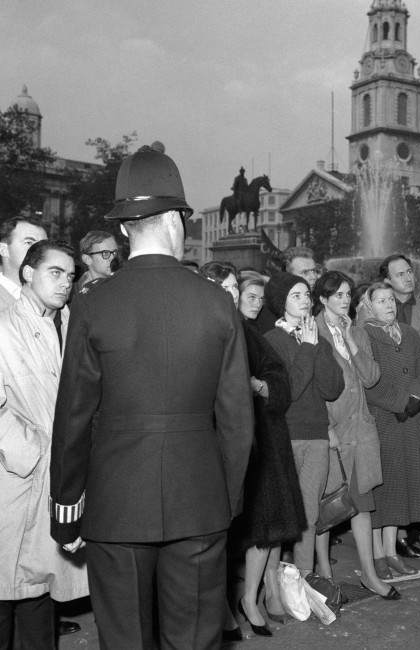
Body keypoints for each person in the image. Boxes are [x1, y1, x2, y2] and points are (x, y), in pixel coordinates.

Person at [49, 145, 254, 650]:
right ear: (177, 220)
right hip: (200, 497)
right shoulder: (216, 302)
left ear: (123, 229)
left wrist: (66, 506)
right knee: (193, 640)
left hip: (116, 502)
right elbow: (237, 422)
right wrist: (225, 499)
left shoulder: (94, 303)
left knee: (125, 641)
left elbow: (73, 416)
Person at [0, 240, 88, 650]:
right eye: (55, 272)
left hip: (60, 475)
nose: (65, 283)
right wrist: (28, 452)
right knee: (6, 588)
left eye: (70, 275)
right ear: (28, 273)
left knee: (39, 593)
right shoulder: (4, 327)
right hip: (16, 477)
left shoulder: (73, 324)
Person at [223, 271, 306, 639]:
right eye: (247, 296)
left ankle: (253, 599)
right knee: (237, 533)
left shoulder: (253, 333)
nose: (255, 303)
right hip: (234, 441)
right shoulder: (229, 331)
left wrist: (262, 386)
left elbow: (279, 379)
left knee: (267, 529)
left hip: (266, 439)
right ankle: (234, 604)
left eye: (259, 297)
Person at [312, 272, 399, 599]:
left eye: (348, 294)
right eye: (337, 295)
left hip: (360, 430)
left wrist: (350, 340)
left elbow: (372, 377)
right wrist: (326, 428)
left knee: (362, 502)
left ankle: (370, 575)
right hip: (332, 430)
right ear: (322, 298)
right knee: (327, 505)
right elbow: (309, 388)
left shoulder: (358, 332)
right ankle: (324, 573)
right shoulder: (312, 331)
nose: (344, 300)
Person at [264, 272, 344, 577]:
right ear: (281, 302)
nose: (304, 301)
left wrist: (318, 346)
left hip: (316, 436)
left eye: (306, 295)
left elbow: (331, 388)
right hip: (285, 436)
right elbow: (290, 390)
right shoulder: (272, 341)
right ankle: (272, 586)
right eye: (295, 296)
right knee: (281, 516)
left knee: (310, 515)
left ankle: (305, 581)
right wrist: (309, 348)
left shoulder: (317, 337)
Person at [361, 282, 420, 578]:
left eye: (391, 300)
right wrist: (399, 402)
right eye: (380, 300)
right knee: (384, 488)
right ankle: (377, 555)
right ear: (369, 305)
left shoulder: (409, 333)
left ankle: (392, 551)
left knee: (401, 486)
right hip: (384, 420)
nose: (388, 305)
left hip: (412, 418)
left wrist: (417, 398)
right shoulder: (364, 334)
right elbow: (366, 379)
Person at [0, 216, 47, 311]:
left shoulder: (52, 297)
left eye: (44, 244)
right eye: (29, 242)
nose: (40, 250)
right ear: (4, 250)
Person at [74, 230, 119, 295]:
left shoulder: (120, 284)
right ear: (87, 259)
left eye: (114, 252)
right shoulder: (74, 296)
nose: (112, 257)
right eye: (105, 253)